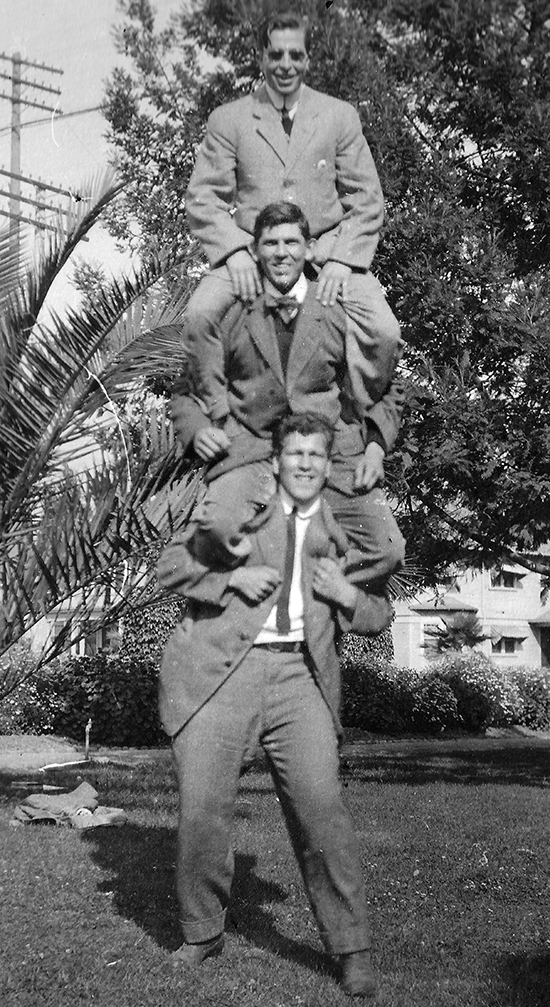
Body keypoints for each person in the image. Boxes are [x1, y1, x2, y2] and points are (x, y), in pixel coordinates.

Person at [158, 412, 391, 998]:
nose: (306, 463)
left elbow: (378, 614)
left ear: (327, 462)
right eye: (295, 453)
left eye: (316, 454)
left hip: (299, 678)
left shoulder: (345, 530)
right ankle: (202, 932)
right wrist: (228, 582)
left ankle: (352, 948)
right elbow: (171, 564)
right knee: (203, 807)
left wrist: (348, 595)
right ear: (278, 460)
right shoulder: (239, 507)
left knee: (321, 808)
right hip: (221, 671)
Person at [172, 201, 405, 586]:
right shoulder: (230, 311)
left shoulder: (338, 308)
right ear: (255, 251)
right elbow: (186, 388)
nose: (282, 254)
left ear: (309, 248)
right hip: (251, 449)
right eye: (271, 244)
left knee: (387, 548)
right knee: (214, 534)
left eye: (292, 243)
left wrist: (376, 447)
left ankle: (307, 587)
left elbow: (387, 386)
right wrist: (198, 430)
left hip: (329, 450)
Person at [185, 10, 402, 411]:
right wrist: (233, 253)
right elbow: (203, 198)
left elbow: (367, 198)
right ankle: (218, 416)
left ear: (308, 59)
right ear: (261, 56)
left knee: (384, 331)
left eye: (295, 56)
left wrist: (341, 259)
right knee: (199, 316)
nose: (286, 65)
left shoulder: (339, 116)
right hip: (255, 253)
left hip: (325, 252)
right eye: (276, 55)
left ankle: (357, 417)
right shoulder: (229, 119)